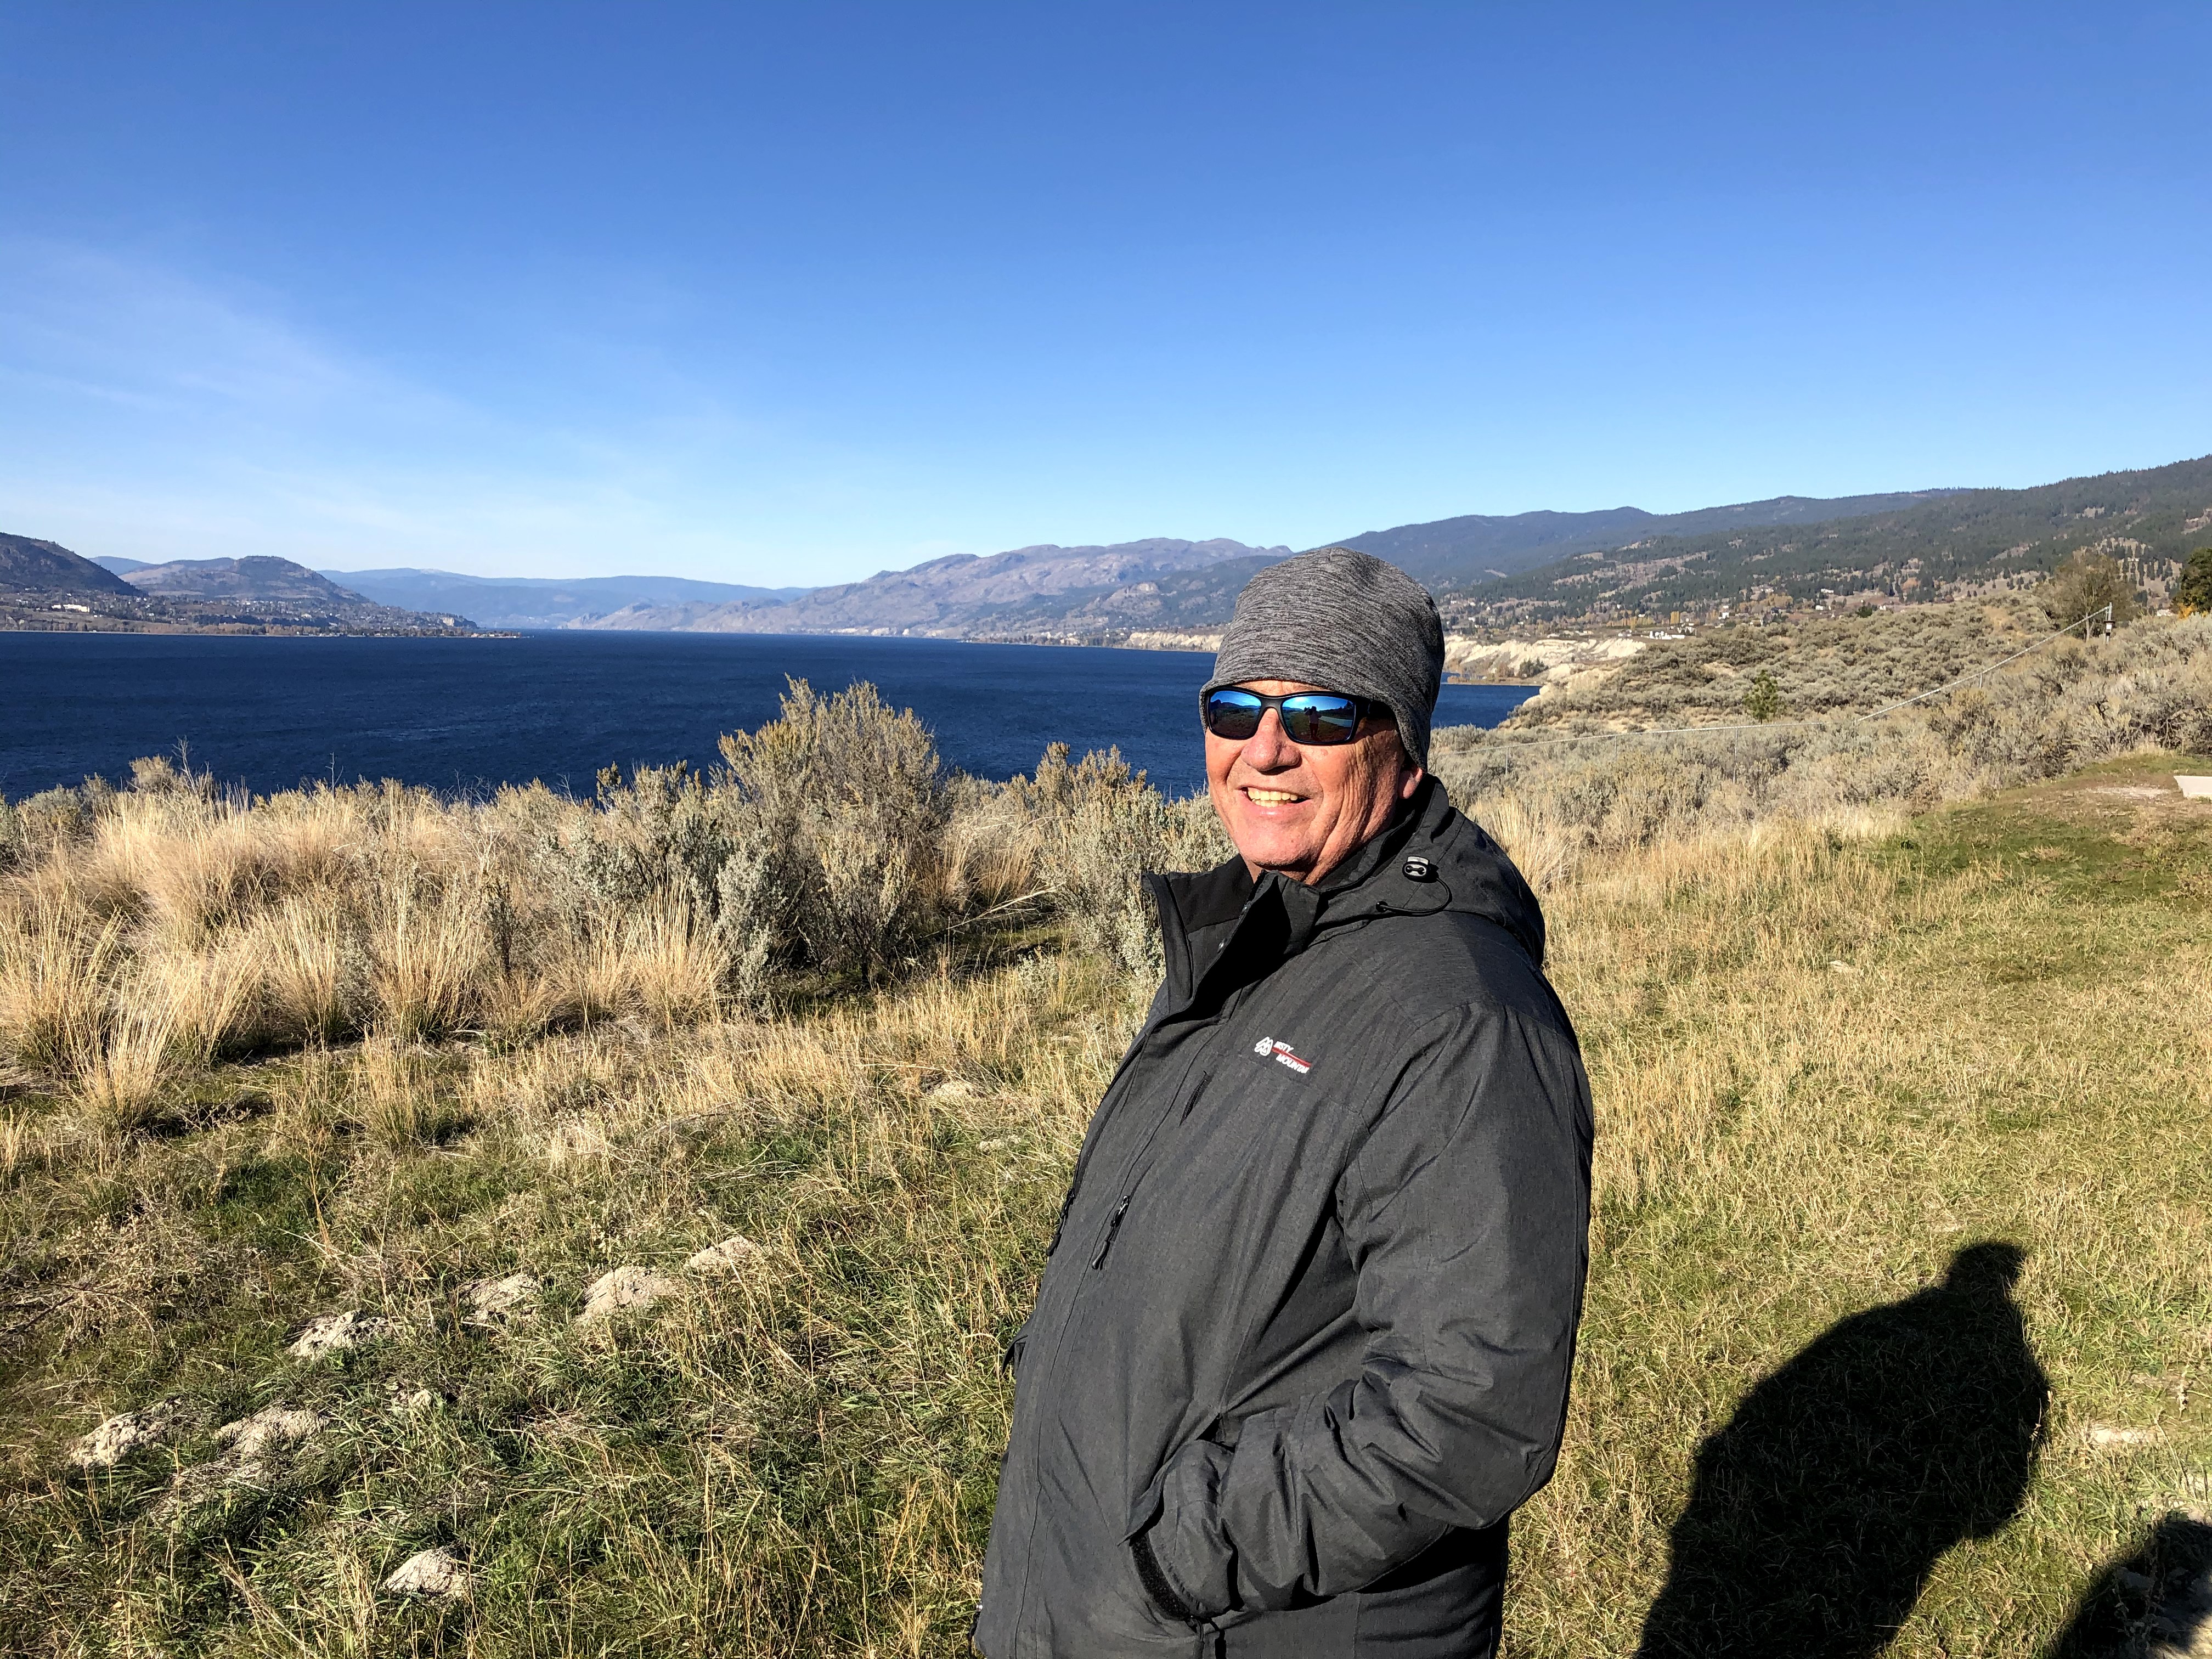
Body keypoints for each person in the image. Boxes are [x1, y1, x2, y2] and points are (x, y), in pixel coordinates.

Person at [974, 548, 1594, 1658]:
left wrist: (1186, 1550)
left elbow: (1473, 1405)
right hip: (1110, 1599)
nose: (1265, 748)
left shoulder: (1462, 1018)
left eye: (1320, 715)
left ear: (1404, 750)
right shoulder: (1263, 939)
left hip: (1247, 1621)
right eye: (1235, 709)